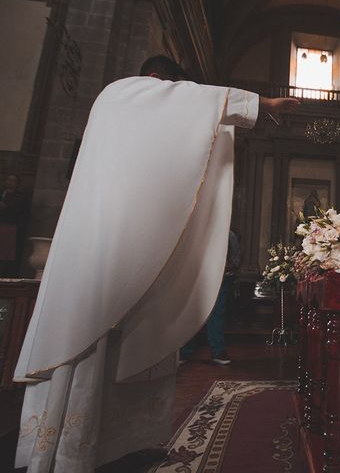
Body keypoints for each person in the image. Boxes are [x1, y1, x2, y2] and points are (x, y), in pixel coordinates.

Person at [13, 55, 299, 472]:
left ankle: (122, 443)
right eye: (174, 91)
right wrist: (260, 105)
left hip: (125, 238)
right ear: (155, 81)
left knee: (136, 325)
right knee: (91, 334)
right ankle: (68, 450)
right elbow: (189, 104)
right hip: (103, 242)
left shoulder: (122, 111)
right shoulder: (121, 93)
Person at [180, 229, 241, 365]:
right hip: (197, 278)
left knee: (217, 313)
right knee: (192, 312)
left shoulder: (229, 235)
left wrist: (218, 267)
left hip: (220, 279)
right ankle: (185, 351)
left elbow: (235, 262)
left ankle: (218, 351)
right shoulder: (196, 232)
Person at [0, 173, 29, 277]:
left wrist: (6, 207)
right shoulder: (1, 193)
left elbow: (20, 212)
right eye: (8, 180)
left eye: (13, 181)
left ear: (17, 184)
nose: (10, 183)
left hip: (10, 228)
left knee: (6, 253)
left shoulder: (20, 197)